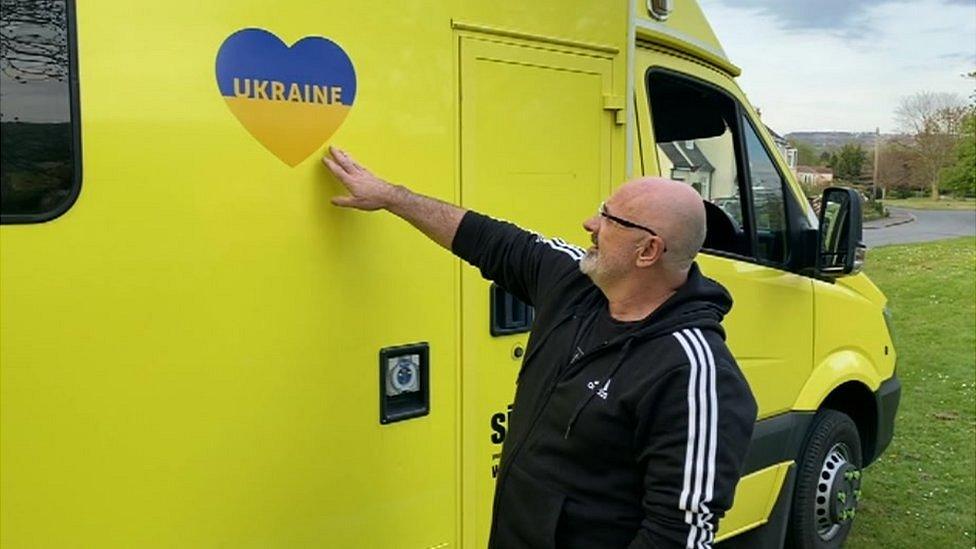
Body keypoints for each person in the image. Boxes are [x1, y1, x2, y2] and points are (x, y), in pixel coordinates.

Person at [322, 146, 758, 549]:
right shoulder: (577, 284)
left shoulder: (694, 372)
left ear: (647, 250)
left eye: (609, 219)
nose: (590, 224)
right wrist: (393, 197)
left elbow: (677, 535)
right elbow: (488, 239)